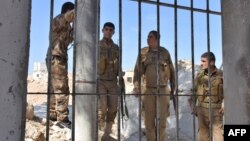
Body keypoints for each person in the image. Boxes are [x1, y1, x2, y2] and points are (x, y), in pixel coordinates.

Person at [133, 30, 175, 141]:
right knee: (149, 121)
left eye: (150, 37)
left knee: (162, 121)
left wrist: (173, 88)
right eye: (147, 37)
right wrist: (136, 87)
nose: (148, 39)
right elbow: (137, 71)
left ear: (157, 39)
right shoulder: (143, 52)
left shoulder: (164, 52)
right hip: (148, 90)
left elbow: (171, 70)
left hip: (163, 89)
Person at [45, 2, 74, 128]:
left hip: (59, 58)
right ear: (68, 11)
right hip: (56, 57)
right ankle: (63, 118)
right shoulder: (59, 19)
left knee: (54, 87)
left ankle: (52, 115)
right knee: (62, 88)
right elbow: (67, 17)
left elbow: (72, 39)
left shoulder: (68, 27)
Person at [188, 52, 224, 141]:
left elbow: (229, 91)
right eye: (201, 61)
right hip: (202, 111)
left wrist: (225, 104)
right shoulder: (199, 76)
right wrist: (193, 107)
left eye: (203, 61)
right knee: (203, 137)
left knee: (219, 137)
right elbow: (193, 92)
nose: (201, 63)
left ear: (211, 62)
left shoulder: (222, 75)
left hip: (216, 111)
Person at [98, 22, 120, 140]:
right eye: (106, 29)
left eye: (111, 30)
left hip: (112, 81)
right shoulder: (97, 45)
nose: (108, 31)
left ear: (113, 32)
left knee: (113, 108)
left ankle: (107, 132)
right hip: (100, 80)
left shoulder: (116, 48)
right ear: (102, 30)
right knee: (102, 107)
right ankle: (99, 131)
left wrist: (120, 75)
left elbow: (119, 63)